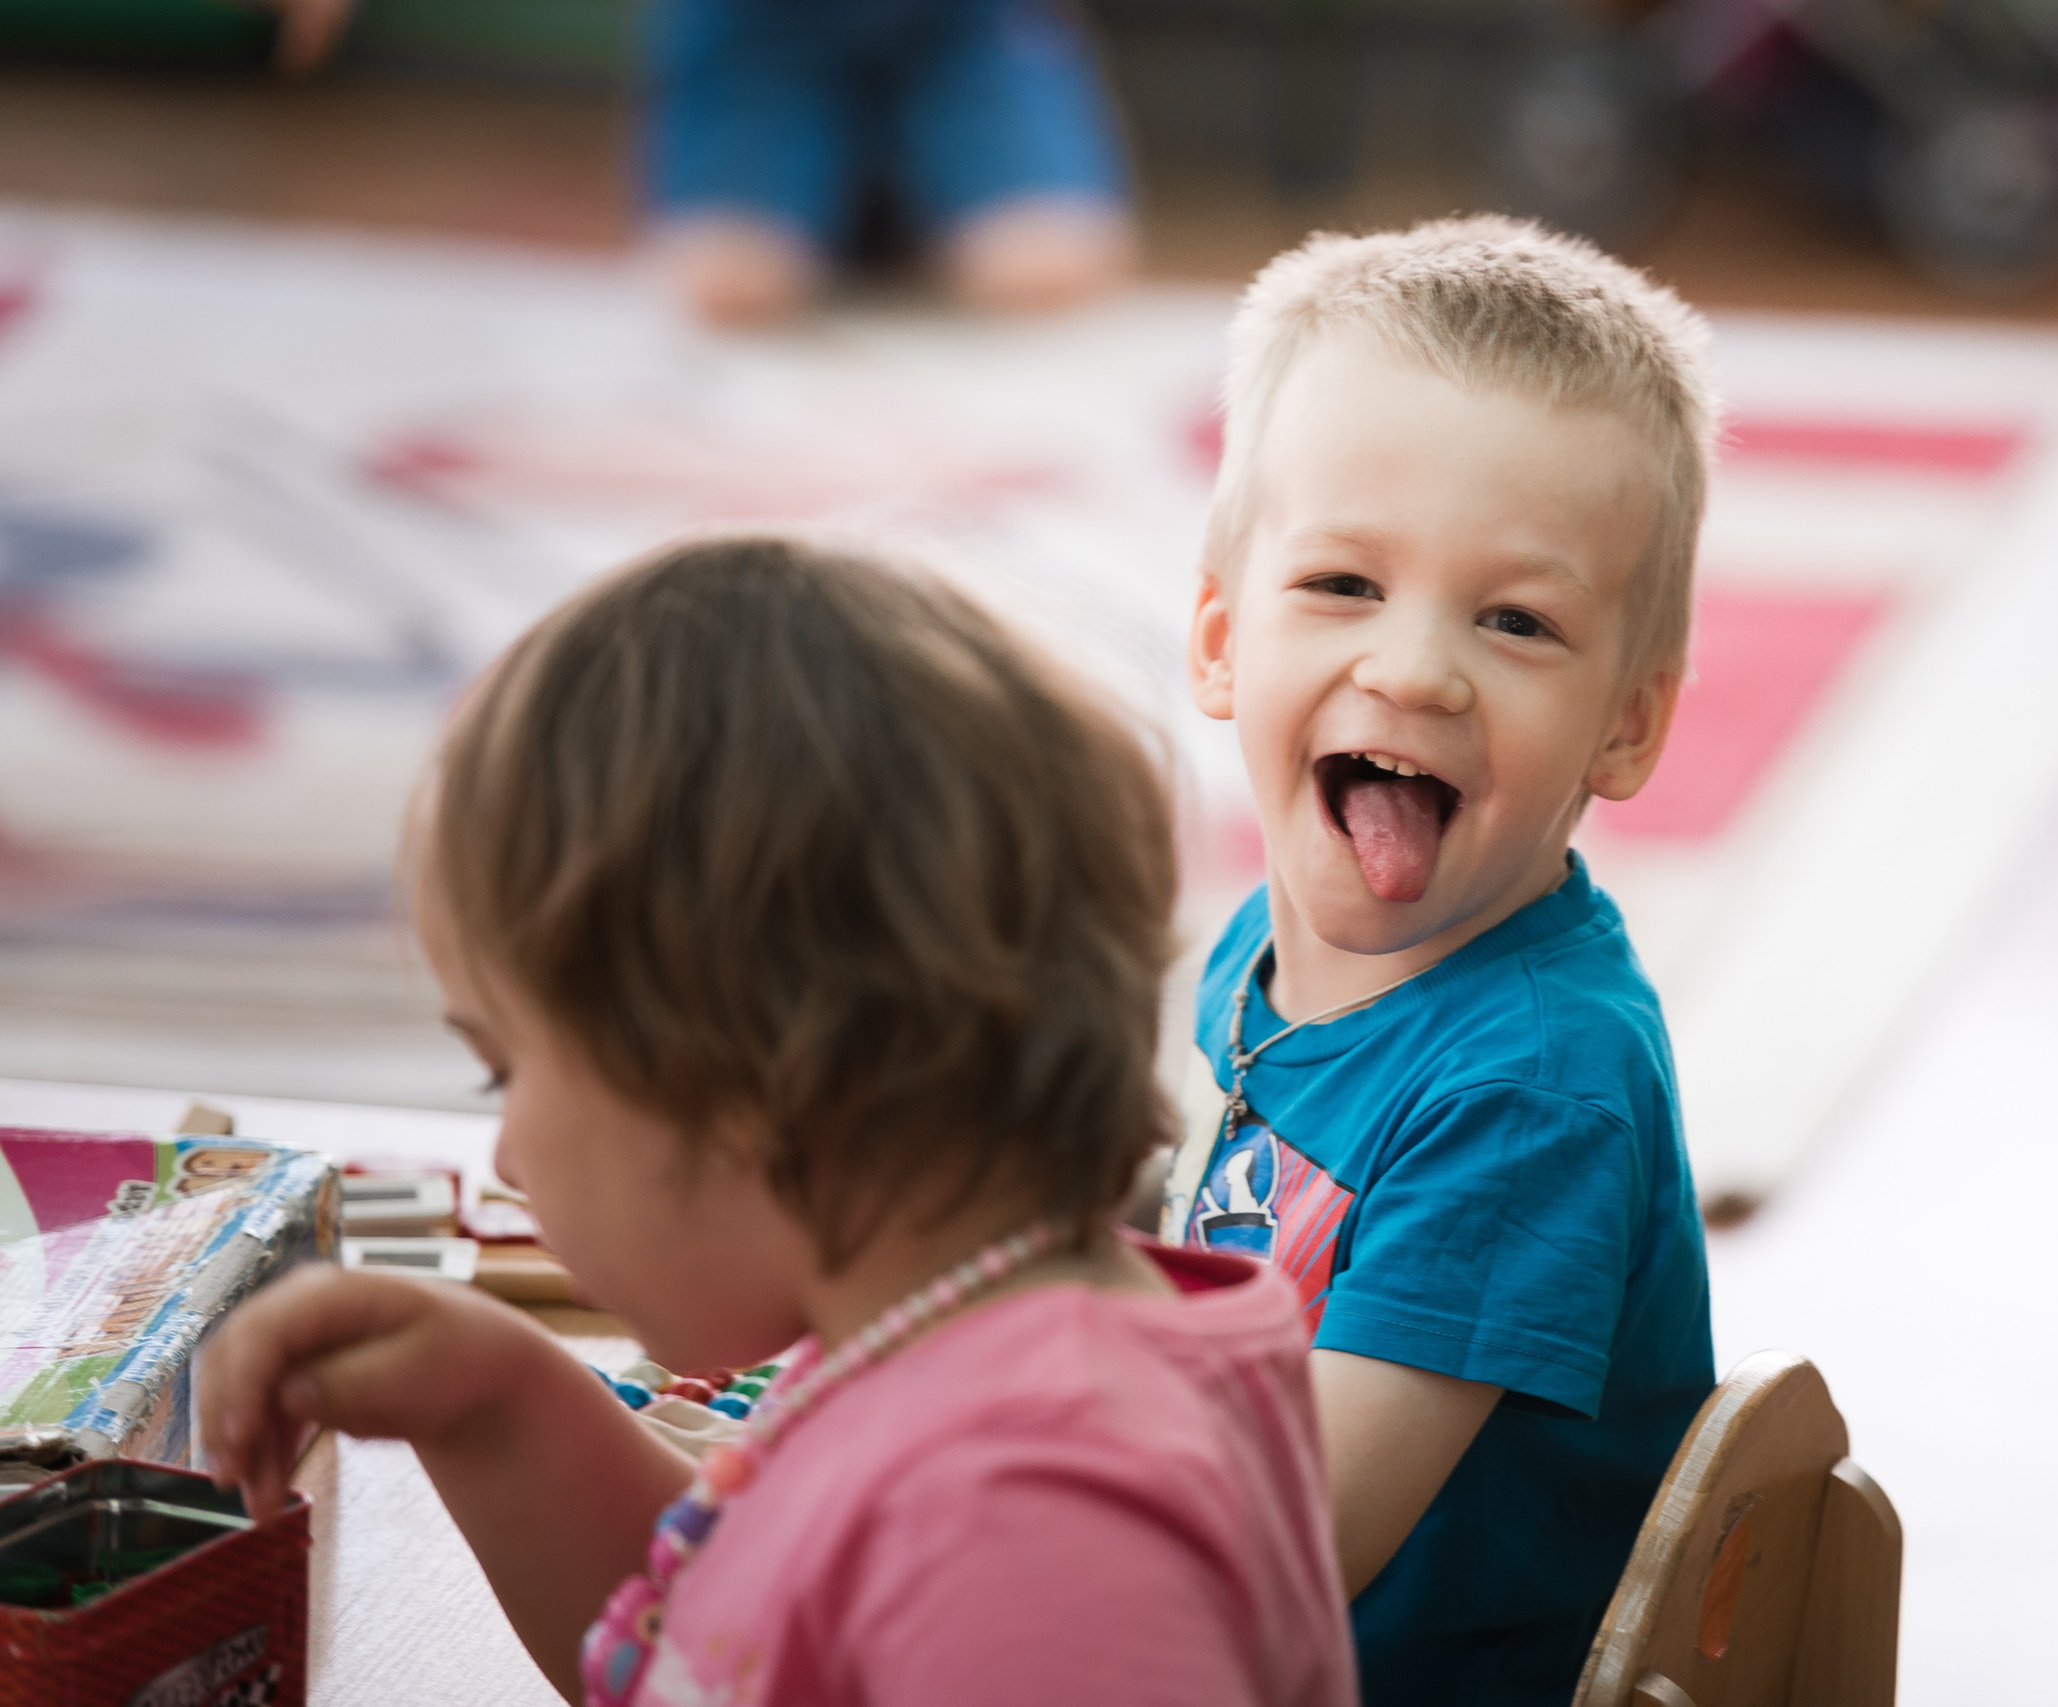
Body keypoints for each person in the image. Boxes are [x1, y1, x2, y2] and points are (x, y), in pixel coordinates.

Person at [198, 538, 1356, 1707]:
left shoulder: (1037, 1521)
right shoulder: (934, 1345)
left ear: (739, 1081)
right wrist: (495, 1408)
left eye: (506, 1072)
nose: (503, 1152)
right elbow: (722, 1649)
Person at [1168, 215, 1721, 1704]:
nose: (1414, 666)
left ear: (1629, 722)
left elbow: (1291, 1541)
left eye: (1517, 618)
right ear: (1220, 640)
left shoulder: (1535, 1087)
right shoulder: (1256, 945)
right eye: (1344, 583)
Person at [262, 0, 1137, 324]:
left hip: (961, 30)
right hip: (758, 35)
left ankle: (889, 194)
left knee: (1048, 269)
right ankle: (842, 198)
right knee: (727, 287)